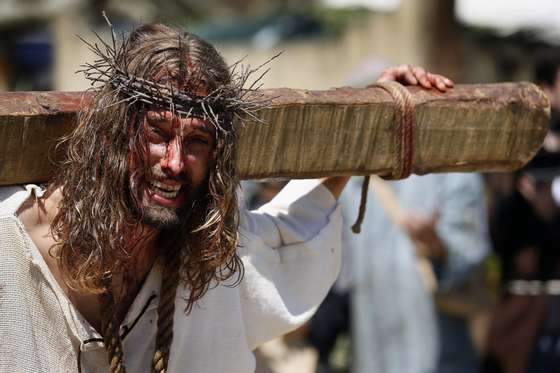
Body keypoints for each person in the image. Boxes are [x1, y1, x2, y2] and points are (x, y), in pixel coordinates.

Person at [0, 23, 452, 373]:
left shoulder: (209, 261)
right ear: (111, 131)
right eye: (157, 133)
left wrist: (377, 111)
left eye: (197, 141)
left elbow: (293, 227)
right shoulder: (10, 252)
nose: (175, 162)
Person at [341, 172, 490, 373]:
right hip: (373, 348)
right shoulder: (353, 179)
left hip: (439, 347)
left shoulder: (453, 171)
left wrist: (437, 245)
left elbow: (473, 255)